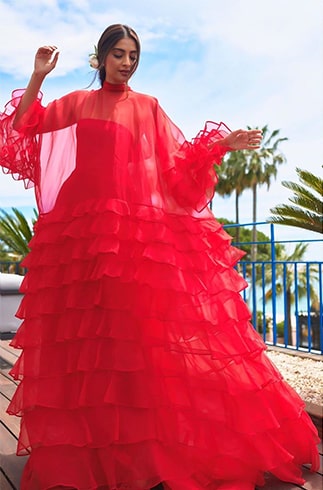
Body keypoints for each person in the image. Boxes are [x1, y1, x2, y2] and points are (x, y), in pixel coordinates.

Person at [0, 24, 319, 490]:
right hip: (78, 226)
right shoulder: (76, 102)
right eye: (119, 54)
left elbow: (177, 161)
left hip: (127, 231)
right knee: (87, 339)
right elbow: (23, 125)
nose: (127, 62)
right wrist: (37, 76)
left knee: (132, 335)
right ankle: (94, 448)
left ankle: (140, 447)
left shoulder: (147, 107)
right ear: (102, 57)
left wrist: (221, 144)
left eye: (134, 55)